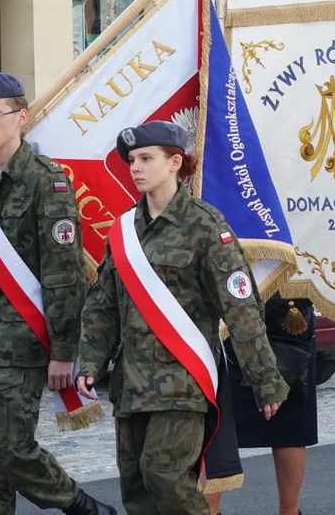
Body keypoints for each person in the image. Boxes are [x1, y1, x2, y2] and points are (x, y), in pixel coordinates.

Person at [77, 121, 289, 514]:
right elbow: (102, 304)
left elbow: (241, 308)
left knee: (167, 478)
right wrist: (90, 362)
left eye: (145, 158)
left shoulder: (206, 225)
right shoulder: (124, 229)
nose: (135, 167)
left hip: (182, 381)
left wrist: (264, 379)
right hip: (131, 383)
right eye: (132, 160)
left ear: (176, 162)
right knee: (137, 489)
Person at [0, 72, 116, 515]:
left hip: (24, 341)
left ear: (22, 117)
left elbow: (64, 274)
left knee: (12, 449)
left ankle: (84, 508)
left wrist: (63, 351)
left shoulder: (46, 183)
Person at [204, 291, 319, 515]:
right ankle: (209, 511)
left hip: (284, 319)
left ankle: (290, 511)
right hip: (230, 317)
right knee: (214, 428)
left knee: (289, 429)